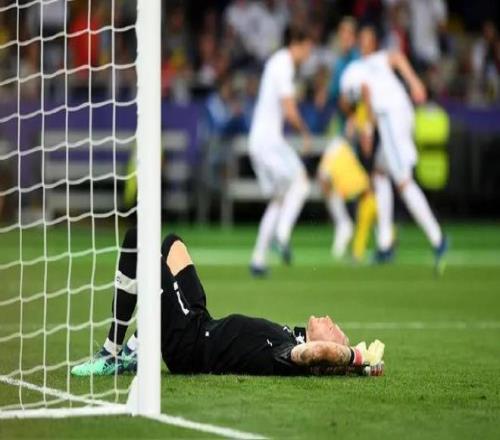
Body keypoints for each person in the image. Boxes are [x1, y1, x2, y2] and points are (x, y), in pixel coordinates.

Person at [71, 228, 385, 377]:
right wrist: (362, 368)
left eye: (335, 329)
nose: (330, 319)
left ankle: (112, 352)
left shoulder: (291, 354)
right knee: (172, 243)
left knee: (138, 241)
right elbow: (325, 353)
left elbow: (319, 353)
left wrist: (354, 356)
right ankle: (138, 346)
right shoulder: (295, 337)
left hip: (189, 344)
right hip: (201, 321)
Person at [340, 25, 447, 270]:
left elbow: (392, 63)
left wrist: (415, 82)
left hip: (391, 116)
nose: (364, 42)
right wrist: (362, 122)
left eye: (368, 38)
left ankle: (437, 238)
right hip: (389, 117)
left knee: (403, 180)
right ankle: (385, 243)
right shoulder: (355, 68)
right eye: (361, 38)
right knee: (380, 173)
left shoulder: (372, 61)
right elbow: (352, 100)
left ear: (373, 42)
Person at [248, 27, 313, 276]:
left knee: (279, 198)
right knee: (302, 182)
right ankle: (282, 234)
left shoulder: (276, 63)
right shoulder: (284, 64)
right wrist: (305, 133)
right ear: (298, 44)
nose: (309, 55)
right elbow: (289, 108)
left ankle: (258, 259)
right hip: (269, 143)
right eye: (308, 49)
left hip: (260, 142)